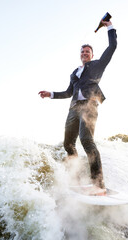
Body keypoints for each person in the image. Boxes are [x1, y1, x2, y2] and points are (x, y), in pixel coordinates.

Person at [39, 20, 117, 196]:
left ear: (92, 54)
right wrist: (50, 94)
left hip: (89, 105)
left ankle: (98, 183)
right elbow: (68, 92)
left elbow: (112, 47)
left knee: (86, 140)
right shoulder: (74, 73)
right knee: (68, 144)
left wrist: (109, 27)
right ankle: (76, 179)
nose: (84, 53)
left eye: (87, 51)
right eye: (82, 51)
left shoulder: (97, 66)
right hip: (73, 108)